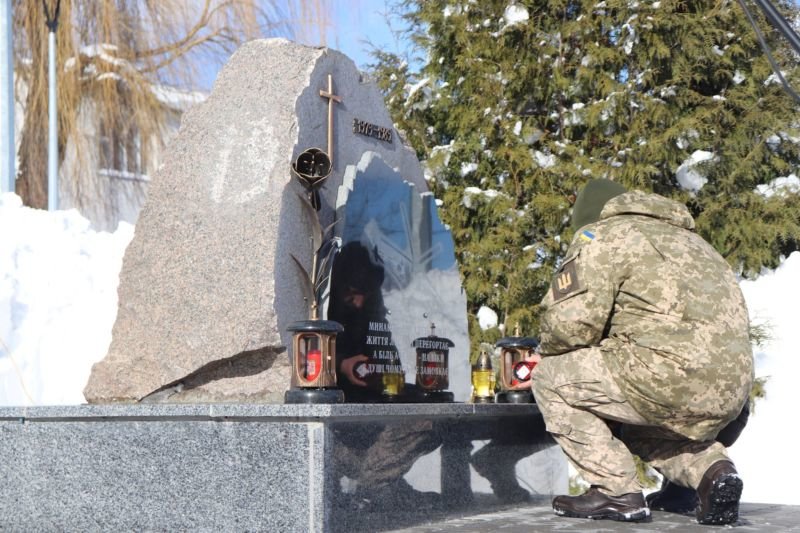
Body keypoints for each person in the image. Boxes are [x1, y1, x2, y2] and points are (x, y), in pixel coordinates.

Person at [520, 179, 754, 524]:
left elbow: (570, 324)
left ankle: (615, 492)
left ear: (590, 216)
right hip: (734, 395)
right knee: (644, 425)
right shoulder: (698, 244)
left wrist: (546, 352)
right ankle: (709, 474)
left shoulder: (603, 235)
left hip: (665, 377)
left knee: (551, 379)